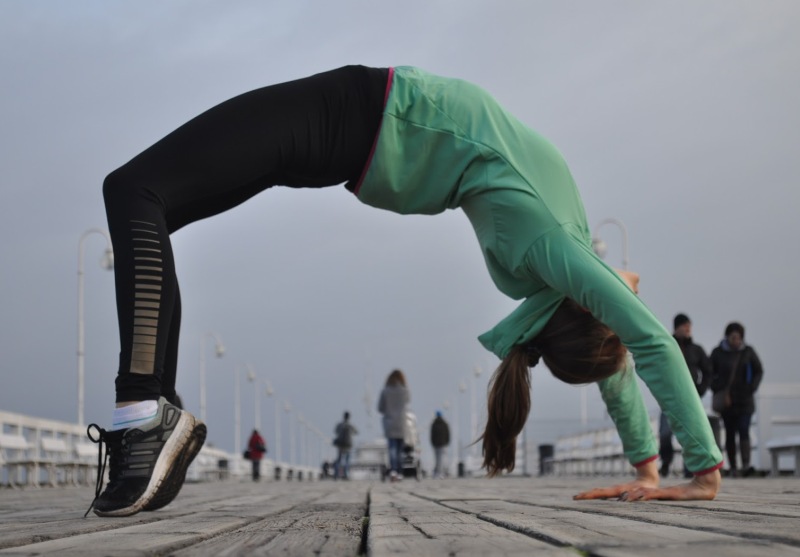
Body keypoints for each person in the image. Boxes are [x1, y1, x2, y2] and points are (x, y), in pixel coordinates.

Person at [92, 65, 722, 515]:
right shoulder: (558, 250)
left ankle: (145, 412)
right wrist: (698, 470)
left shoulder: (559, 258)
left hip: (356, 119)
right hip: (363, 118)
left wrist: (658, 468)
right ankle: (152, 410)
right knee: (148, 200)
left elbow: (623, 348)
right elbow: (641, 341)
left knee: (137, 192)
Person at [659, 313, 713, 478]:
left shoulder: (697, 350)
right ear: (677, 328)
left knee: (690, 434)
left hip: (690, 399)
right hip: (670, 399)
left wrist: (700, 389)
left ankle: (690, 469)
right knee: (665, 434)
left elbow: (708, 371)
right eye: (685, 326)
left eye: (690, 326)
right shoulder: (667, 346)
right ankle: (666, 463)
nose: (688, 329)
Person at [710, 322, 764, 477]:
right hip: (728, 402)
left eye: (739, 338)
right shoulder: (718, 353)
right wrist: (718, 387)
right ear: (727, 337)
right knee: (730, 433)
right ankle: (733, 466)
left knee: (744, 430)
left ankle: (746, 465)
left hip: (745, 400)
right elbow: (710, 373)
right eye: (733, 337)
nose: (736, 341)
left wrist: (751, 387)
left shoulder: (748, 352)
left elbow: (759, 371)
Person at [378, 369, 410, 482]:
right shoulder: (404, 391)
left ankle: (393, 471)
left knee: (392, 448)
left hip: (390, 423)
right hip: (401, 423)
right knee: (400, 450)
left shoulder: (385, 391)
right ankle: (400, 472)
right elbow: (408, 401)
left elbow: (380, 408)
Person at [333, 411, 358, 480]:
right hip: (348, 445)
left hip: (340, 445)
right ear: (349, 417)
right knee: (347, 461)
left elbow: (336, 431)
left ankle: (336, 474)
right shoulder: (351, 425)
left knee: (339, 460)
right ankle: (346, 474)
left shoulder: (340, 425)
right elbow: (356, 432)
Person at [430, 411, 451, 479]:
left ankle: (438, 472)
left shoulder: (434, 424)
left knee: (437, 459)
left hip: (436, 445)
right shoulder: (445, 424)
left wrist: (433, 443)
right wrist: (447, 442)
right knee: (443, 459)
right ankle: (443, 472)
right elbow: (448, 434)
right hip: (443, 444)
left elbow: (432, 435)